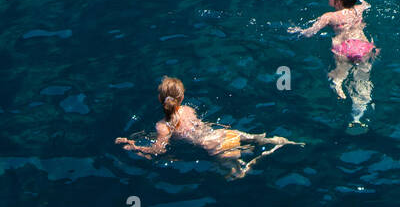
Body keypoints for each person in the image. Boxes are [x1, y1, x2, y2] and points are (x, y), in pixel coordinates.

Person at [115, 77, 302, 177]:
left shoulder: (162, 126)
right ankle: (279, 142)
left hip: (212, 147)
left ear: (159, 99)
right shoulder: (188, 109)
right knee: (256, 140)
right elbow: (201, 126)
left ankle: (264, 155)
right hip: (221, 133)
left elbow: (158, 150)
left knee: (239, 175)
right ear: (181, 98)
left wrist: (134, 146)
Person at [289, 0, 378, 125]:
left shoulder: (329, 16)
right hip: (363, 48)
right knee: (362, 80)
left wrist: (297, 31)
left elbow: (310, 32)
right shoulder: (358, 9)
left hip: (345, 48)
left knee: (337, 76)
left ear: (338, 2)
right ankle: (358, 115)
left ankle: (339, 87)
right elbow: (367, 4)